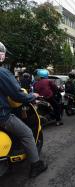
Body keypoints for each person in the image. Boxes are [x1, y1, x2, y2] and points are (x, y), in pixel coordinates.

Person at [0, 42, 47, 177]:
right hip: (2, 116)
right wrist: (31, 97)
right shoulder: (3, 73)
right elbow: (17, 93)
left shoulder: (32, 81)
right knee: (26, 133)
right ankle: (36, 165)